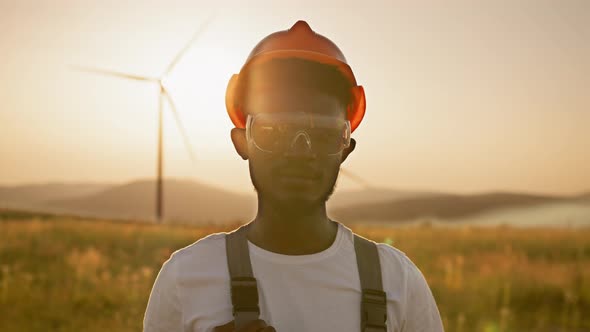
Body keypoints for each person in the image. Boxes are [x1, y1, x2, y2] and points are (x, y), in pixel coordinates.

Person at [143, 20, 444, 332]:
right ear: (242, 142)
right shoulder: (185, 278)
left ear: (345, 149)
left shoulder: (399, 282)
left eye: (324, 134)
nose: (301, 151)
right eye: (275, 131)